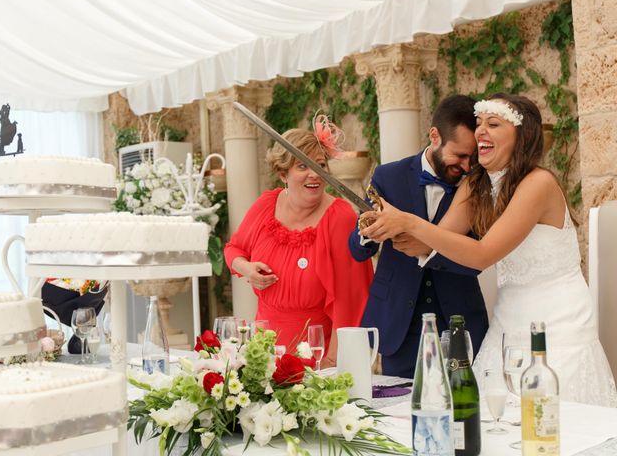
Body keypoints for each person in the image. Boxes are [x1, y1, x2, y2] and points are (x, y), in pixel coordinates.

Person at [361, 93, 617, 406]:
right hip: (507, 322)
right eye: (479, 123)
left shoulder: (539, 183)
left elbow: (483, 253)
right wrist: (386, 224)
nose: (480, 130)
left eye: (492, 124)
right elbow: (440, 239)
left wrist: (410, 223)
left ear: (522, 136)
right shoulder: (476, 183)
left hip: (557, 321)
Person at [348, 95, 488, 378]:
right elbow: (357, 250)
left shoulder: (478, 185)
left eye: (472, 157)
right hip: (400, 322)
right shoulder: (389, 176)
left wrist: (428, 250)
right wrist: (368, 231)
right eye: (459, 155)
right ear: (434, 136)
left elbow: (478, 257)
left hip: (458, 319)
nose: (466, 166)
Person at [224, 115, 373, 367]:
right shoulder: (266, 205)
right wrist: (246, 268)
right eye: (302, 166)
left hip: (315, 352)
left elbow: (351, 299)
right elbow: (234, 249)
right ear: (283, 173)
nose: (314, 174)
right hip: (264, 351)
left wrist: (333, 361)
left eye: (320, 165)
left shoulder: (339, 217)